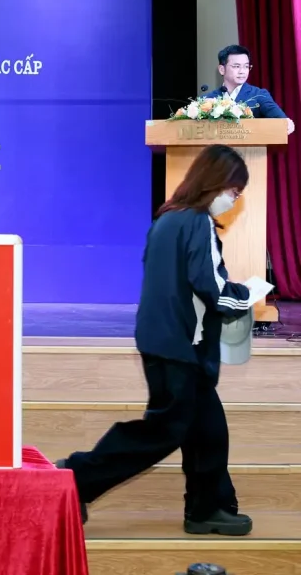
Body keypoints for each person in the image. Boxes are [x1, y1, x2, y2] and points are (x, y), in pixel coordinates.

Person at [56, 144, 256, 537]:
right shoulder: (197, 223)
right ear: (215, 183)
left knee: (208, 429)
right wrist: (247, 295)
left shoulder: (168, 219)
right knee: (162, 431)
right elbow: (212, 287)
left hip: (165, 341)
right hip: (178, 346)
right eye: (233, 191)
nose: (234, 199)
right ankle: (77, 476)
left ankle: (207, 508)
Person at [205, 44, 294, 134]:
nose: (242, 71)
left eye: (246, 66)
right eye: (236, 66)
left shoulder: (259, 95)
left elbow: (281, 120)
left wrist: (287, 123)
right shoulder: (208, 99)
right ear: (222, 69)